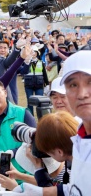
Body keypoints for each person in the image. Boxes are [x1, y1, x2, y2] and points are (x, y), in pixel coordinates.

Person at [10, 50, 91, 196]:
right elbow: (75, 189)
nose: (82, 94)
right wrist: (35, 191)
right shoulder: (81, 134)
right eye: (73, 85)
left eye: (90, 82)